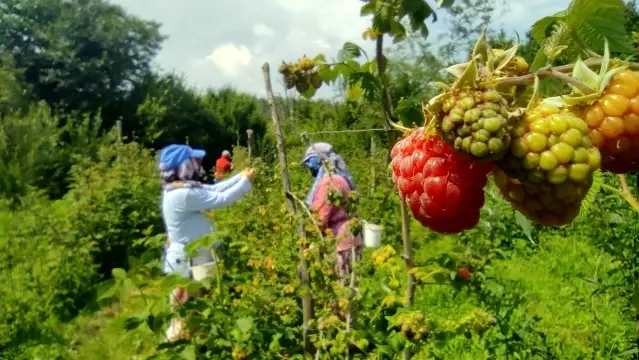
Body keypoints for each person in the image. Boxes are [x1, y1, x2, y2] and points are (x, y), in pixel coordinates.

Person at [158, 144, 255, 341]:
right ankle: (178, 346)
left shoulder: (180, 188)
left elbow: (213, 188)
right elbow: (220, 198)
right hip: (187, 262)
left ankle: (198, 343)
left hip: (197, 257)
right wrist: (246, 182)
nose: (197, 165)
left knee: (200, 305)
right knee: (185, 310)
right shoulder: (183, 194)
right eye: (193, 161)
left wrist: (240, 176)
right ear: (184, 166)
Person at [301, 142, 362, 280]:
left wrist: (306, 237)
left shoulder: (329, 181)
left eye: (311, 164)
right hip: (351, 240)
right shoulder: (340, 178)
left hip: (340, 243)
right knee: (350, 288)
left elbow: (319, 218)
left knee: (339, 290)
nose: (310, 169)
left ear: (320, 161)